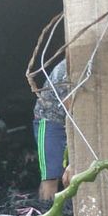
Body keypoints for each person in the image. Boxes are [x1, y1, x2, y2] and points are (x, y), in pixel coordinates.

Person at [34, 59, 70, 200]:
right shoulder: (66, 70)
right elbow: (70, 105)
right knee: (51, 176)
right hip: (49, 122)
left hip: (66, 123)